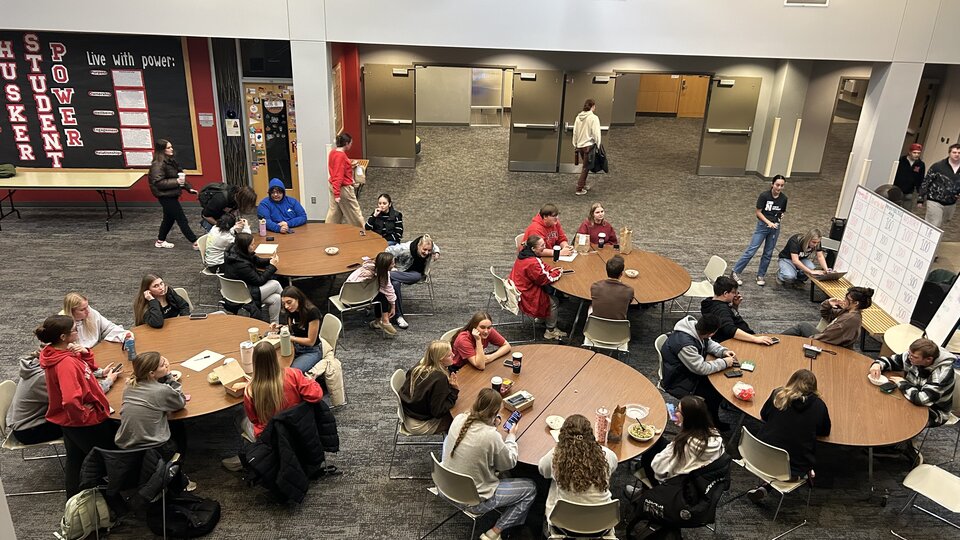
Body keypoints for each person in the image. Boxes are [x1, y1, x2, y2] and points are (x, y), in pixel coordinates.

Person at [36, 315, 120, 495]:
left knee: (75, 461)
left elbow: (87, 371)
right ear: (63, 337)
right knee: (108, 459)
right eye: (74, 330)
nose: (77, 331)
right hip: (83, 422)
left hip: (69, 422)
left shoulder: (58, 353)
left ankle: (73, 503)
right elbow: (70, 399)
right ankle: (113, 502)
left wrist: (84, 353)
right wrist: (82, 416)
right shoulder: (65, 363)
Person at [442, 388, 537, 540]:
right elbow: (510, 462)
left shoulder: (460, 418)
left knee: (495, 468)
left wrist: (492, 424)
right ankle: (495, 533)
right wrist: (511, 436)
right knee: (530, 488)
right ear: (495, 412)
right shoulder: (491, 436)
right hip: (472, 501)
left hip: (445, 487)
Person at [748, 369, 831, 503]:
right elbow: (824, 431)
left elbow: (764, 415)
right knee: (796, 454)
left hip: (760, 456)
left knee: (780, 448)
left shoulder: (778, 394)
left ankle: (765, 486)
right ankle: (806, 474)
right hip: (793, 467)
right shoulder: (819, 406)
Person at [626, 395, 725, 499]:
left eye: (678, 410)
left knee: (648, 452)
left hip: (676, 487)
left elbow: (658, 469)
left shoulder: (683, 446)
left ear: (687, 418)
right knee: (658, 442)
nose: (674, 412)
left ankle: (646, 494)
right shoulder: (715, 436)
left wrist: (669, 449)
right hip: (701, 479)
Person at [538, 414, 618, 526]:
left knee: (553, 483)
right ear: (590, 435)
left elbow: (543, 471)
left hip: (563, 523)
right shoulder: (607, 455)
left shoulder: (555, 455)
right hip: (602, 522)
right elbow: (613, 468)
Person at [660, 314, 735, 429]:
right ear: (712, 332)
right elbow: (701, 368)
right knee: (714, 393)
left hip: (687, 371)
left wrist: (722, 351)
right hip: (679, 380)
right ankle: (711, 423)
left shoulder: (695, 329)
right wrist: (725, 363)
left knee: (718, 384)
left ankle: (713, 416)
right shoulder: (685, 345)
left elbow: (708, 342)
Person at [243, 341, 324, 439]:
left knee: (239, 418)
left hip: (271, 437)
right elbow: (316, 395)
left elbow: (254, 420)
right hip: (296, 427)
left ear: (254, 361)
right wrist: (312, 381)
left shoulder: (250, 390)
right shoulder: (293, 374)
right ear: (275, 357)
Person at [870, 338, 956, 428]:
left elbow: (921, 400)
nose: (909, 357)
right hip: (911, 394)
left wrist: (903, 384)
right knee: (883, 406)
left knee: (895, 421)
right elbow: (892, 361)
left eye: (914, 356)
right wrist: (878, 364)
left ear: (928, 359)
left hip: (933, 410)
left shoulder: (941, 374)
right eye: (909, 353)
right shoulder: (912, 356)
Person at [114, 352, 186, 451]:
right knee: (178, 425)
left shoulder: (129, 386)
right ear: (151, 373)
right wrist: (169, 376)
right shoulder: (161, 390)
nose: (166, 365)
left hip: (126, 446)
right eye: (162, 365)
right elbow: (180, 402)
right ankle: (180, 454)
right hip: (154, 446)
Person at [731, 175, 787, 287]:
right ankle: (735, 272)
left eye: (781, 185)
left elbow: (781, 212)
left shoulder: (784, 198)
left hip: (775, 228)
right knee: (752, 250)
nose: (779, 188)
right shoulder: (764, 196)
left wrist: (778, 220)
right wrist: (768, 222)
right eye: (777, 185)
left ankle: (761, 275)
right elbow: (758, 212)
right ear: (772, 184)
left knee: (768, 253)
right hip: (763, 226)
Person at [510, 235, 567, 340]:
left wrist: (551, 269)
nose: (544, 247)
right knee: (553, 302)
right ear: (533, 249)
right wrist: (558, 272)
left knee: (548, 295)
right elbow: (545, 279)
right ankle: (550, 331)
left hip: (519, 289)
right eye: (542, 246)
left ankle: (542, 317)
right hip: (525, 295)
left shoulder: (524, 255)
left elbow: (541, 268)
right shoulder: (532, 262)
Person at [399, 340, 460, 435]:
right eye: (449, 355)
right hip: (419, 424)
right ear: (440, 360)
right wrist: (454, 391)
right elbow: (438, 412)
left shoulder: (419, 366)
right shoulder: (439, 378)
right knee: (460, 420)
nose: (453, 355)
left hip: (409, 414)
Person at [782, 286, 874, 348]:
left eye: (847, 299)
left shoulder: (849, 320)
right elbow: (827, 315)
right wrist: (828, 304)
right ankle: (778, 339)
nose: (844, 300)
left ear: (856, 303)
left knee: (801, 328)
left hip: (831, 346)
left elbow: (827, 338)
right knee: (803, 326)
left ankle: (777, 339)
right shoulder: (849, 312)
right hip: (828, 338)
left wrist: (806, 342)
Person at [221, 232, 283, 323]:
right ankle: (289, 306)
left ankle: (274, 326)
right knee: (275, 284)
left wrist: (270, 261)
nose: (254, 246)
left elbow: (255, 259)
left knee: (276, 298)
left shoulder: (237, 251)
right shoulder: (240, 265)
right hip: (243, 294)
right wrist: (272, 267)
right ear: (244, 246)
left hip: (241, 289)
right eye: (252, 244)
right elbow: (259, 280)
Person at [149, 138, 199, 250]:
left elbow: (179, 176)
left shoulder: (170, 161)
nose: (171, 149)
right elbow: (158, 182)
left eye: (171, 147)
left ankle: (160, 241)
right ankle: (195, 242)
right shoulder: (158, 164)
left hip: (171, 194)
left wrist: (189, 188)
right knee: (181, 219)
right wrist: (176, 182)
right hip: (165, 196)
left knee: (168, 219)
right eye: (168, 147)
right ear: (162, 150)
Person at [6, 349, 62, 445]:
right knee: (76, 421)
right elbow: (65, 401)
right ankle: (81, 457)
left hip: (25, 422)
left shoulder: (35, 366)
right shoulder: (43, 377)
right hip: (28, 430)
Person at [385, 234, 440, 330]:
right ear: (418, 246)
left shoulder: (428, 245)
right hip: (400, 271)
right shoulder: (405, 249)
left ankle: (385, 275)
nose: (427, 253)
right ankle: (399, 316)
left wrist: (437, 252)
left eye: (429, 250)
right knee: (395, 283)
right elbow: (388, 251)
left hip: (414, 274)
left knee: (416, 276)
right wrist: (392, 266)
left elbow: (434, 246)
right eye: (424, 250)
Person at [700, 276, 773, 345]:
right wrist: (755, 339)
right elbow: (729, 329)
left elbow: (729, 318)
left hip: (743, 338)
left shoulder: (709, 302)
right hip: (741, 341)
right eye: (733, 292)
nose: (735, 295)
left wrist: (735, 306)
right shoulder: (721, 310)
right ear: (725, 293)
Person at [345, 252, 398, 335]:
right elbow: (387, 288)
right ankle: (384, 321)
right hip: (350, 301)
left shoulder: (379, 271)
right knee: (381, 295)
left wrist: (393, 305)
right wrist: (392, 305)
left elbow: (388, 288)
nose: (394, 265)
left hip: (352, 297)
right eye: (392, 264)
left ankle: (379, 322)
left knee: (380, 294)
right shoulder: (366, 275)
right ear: (385, 266)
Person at [275, 286, 323, 373]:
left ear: (298, 299)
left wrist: (289, 338)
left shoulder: (312, 312)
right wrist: (280, 327)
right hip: (295, 346)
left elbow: (311, 342)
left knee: (290, 373)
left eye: (289, 302)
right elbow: (293, 328)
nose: (286, 306)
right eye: (284, 303)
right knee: (274, 365)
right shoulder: (292, 311)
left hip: (311, 351)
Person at [63, 292, 129, 349]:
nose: (87, 311)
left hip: (96, 351)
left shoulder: (91, 313)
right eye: (82, 310)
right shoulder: (62, 324)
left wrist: (123, 335)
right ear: (71, 311)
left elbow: (109, 328)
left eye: (87, 307)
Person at [326, 132, 365, 227]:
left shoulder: (333, 152)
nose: (351, 145)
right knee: (354, 213)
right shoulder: (341, 156)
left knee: (334, 213)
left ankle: (329, 231)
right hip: (343, 189)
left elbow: (336, 168)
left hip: (333, 186)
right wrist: (337, 194)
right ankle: (362, 232)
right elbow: (338, 175)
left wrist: (350, 165)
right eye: (351, 143)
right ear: (346, 143)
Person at [918, 143, 960, 228]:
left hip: (951, 202)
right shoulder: (938, 166)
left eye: (959, 153)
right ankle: (928, 240)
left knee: (943, 223)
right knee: (934, 224)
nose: (957, 155)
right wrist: (920, 198)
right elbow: (926, 181)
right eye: (954, 152)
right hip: (934, 200)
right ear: (949, 153)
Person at [590, 254, 634, 320]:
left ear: (606, 271)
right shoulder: (629, 291)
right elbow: (628, 303)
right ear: (621, 274)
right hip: (618, 327)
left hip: (596, 326)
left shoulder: (595, 287)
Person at [572, 98, 601, 196]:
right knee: (585, 167)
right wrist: (598, 144)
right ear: (593, 106)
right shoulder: (593, 118)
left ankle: (583, 185)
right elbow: (596, 133)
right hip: (589, 146)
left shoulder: (578, 117)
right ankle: (579, 188)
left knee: (586, 167)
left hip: (580, 145)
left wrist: (575, 143)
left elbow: (575, 131)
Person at [894, 144, 925, 210]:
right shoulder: (901, 160)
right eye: (914, 152)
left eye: (918, 153)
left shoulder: (920, 164)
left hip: (909, 192)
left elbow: (920, 181)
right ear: (909, 152)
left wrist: (920, 199)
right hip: (897, 189)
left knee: (906, 211)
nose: (916, 155)